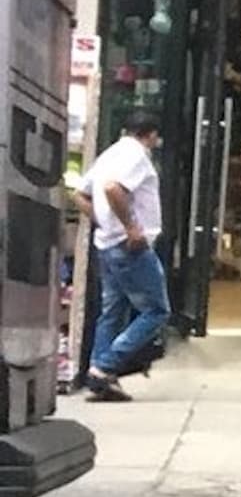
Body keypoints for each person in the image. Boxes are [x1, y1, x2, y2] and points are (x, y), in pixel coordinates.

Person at [77, 111, 172, 403]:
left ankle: (100, 374)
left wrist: (104, 222)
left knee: (113, 310)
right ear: (151, 135)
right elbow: (112, 188)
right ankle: (105, 366)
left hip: (107, 244)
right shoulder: (136, 156)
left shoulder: (109, 155)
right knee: (157, 310)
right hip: (128, 247)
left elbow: (81, 195)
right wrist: (130, 228)